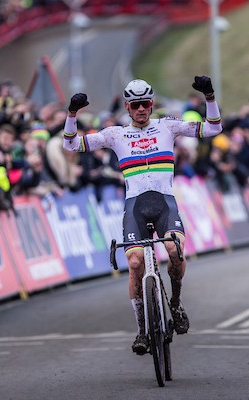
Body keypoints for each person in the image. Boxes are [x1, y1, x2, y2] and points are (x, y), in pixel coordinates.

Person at [63, 76, 222, 355]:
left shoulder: (168, 126)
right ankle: (141, 331)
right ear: (127, 106)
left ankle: (175, 303)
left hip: (164, 203)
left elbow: (213, 129)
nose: (141, 109)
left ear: (152, 104)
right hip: (135, 205)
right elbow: (71, 146)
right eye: (135, 105)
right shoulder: (115, 134)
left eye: (145, 104)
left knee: (175, 249)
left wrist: (209, 97)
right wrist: (72, 114)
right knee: (135, 262)